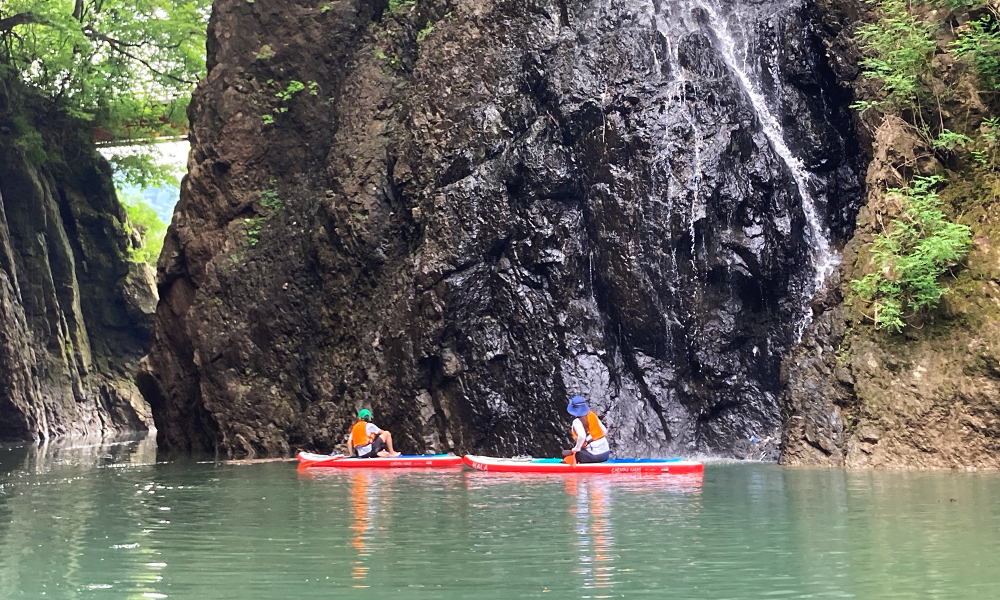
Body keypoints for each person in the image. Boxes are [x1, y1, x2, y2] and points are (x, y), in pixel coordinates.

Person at [562, 395, 611, 463]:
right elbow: (604, 431)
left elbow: (582, 436)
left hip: (594, 456)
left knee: (567, 457)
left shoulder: (577, 422)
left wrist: (577, 448)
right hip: (606, 453)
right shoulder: (592, 415)